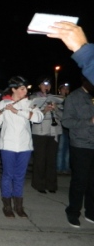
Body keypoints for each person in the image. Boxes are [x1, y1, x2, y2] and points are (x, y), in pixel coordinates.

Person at [0, 76, 44, 218]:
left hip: (25, 145)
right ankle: (7, 206)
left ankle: (19, 206)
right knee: (8, 175)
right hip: (8, 144)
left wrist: (18, 111)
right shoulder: (3, 103)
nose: (25, 91)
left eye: (25, 88)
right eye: (22, 88)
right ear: (14, 89)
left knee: (20, 176)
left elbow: (38, 118)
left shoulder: (30, 103)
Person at [61, 75, 94, 228]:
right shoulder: (73, 97)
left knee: (93, 182)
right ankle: (73, 212)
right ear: (84, 80)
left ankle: (91, 211)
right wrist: (89, 122)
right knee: (79, 181)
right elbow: (66, 121)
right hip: (81, 145)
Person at [29, 76, 63, 194]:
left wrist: (56, 109)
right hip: (40, 131)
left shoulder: (56, 98)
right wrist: (45, 111)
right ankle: (39, 184)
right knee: (40, 159)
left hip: (54, 131)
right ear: (39, 86)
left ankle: (51, 184)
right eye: (44, 84)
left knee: (51, 159)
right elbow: (31, 115)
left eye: (48, 84)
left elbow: (64, 116)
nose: (46, 86)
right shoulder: (34, 98)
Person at [56, 82, 71, 175]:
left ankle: (66, 167)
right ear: (60, 90)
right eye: (63, 89)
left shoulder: (71, 100)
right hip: (60, 127)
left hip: (69, 129)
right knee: (61, 148)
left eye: (67, 89)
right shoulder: (56, 99)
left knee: (68, 149)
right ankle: (59, 167)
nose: (65, 90)